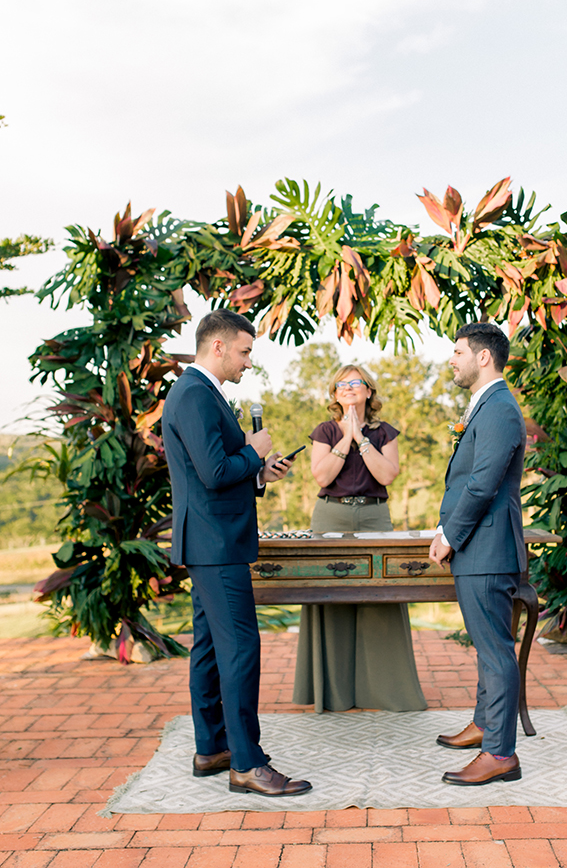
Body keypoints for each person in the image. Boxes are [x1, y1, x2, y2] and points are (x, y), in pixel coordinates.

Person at [162, 308, 312, 796]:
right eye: (245, 352)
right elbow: (213, 473)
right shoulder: (195, 394)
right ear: (219, 346)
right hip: (216, 543)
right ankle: (247, 763)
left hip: (210, 539)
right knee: (240, 649)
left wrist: (257, 472)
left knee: (208, 647)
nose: (249, 362)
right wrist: (253, 449)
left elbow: (220, 472)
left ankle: (212, 748)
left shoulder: (201, 393)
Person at [292, 364, 426, 713]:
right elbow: (322, 476)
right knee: (330, 596)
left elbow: (387, 474)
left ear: (369, 391)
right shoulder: (324, 430)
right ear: (334, 394)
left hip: (374, 515)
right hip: (330, 514)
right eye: (342, 384)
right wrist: (346, 437)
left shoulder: (385, 433)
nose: (349, 388)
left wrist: (362, 438)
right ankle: (334, 694)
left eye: (356, 383)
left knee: (382, 594)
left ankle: (384, 692)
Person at [430, 322, 526, 786]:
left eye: (458, 351)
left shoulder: (500, 409)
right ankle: (485, 724)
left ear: (483, 357)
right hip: (477, 544)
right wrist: (445, 527)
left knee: (494, 653)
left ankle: (500, 754)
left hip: (487, 547)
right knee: (488, 648)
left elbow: (482, 482)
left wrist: (450, 535)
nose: (452, 359)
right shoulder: (486, 404)